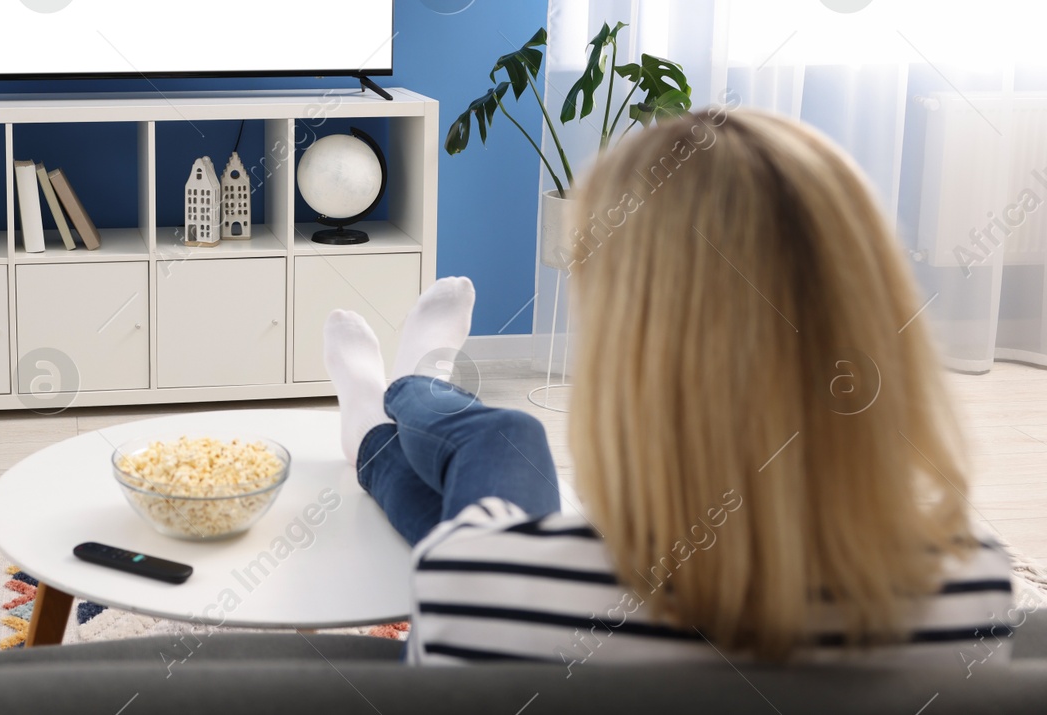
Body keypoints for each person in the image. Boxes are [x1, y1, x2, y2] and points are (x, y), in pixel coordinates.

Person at [323, 107, 1017, 666]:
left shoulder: (479, 585)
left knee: (508, 438)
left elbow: (471, 571)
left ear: (630, 363)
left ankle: (396, 404)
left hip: (499, 562)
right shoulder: (974, 588)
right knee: (502, 447)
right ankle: (395, 411)